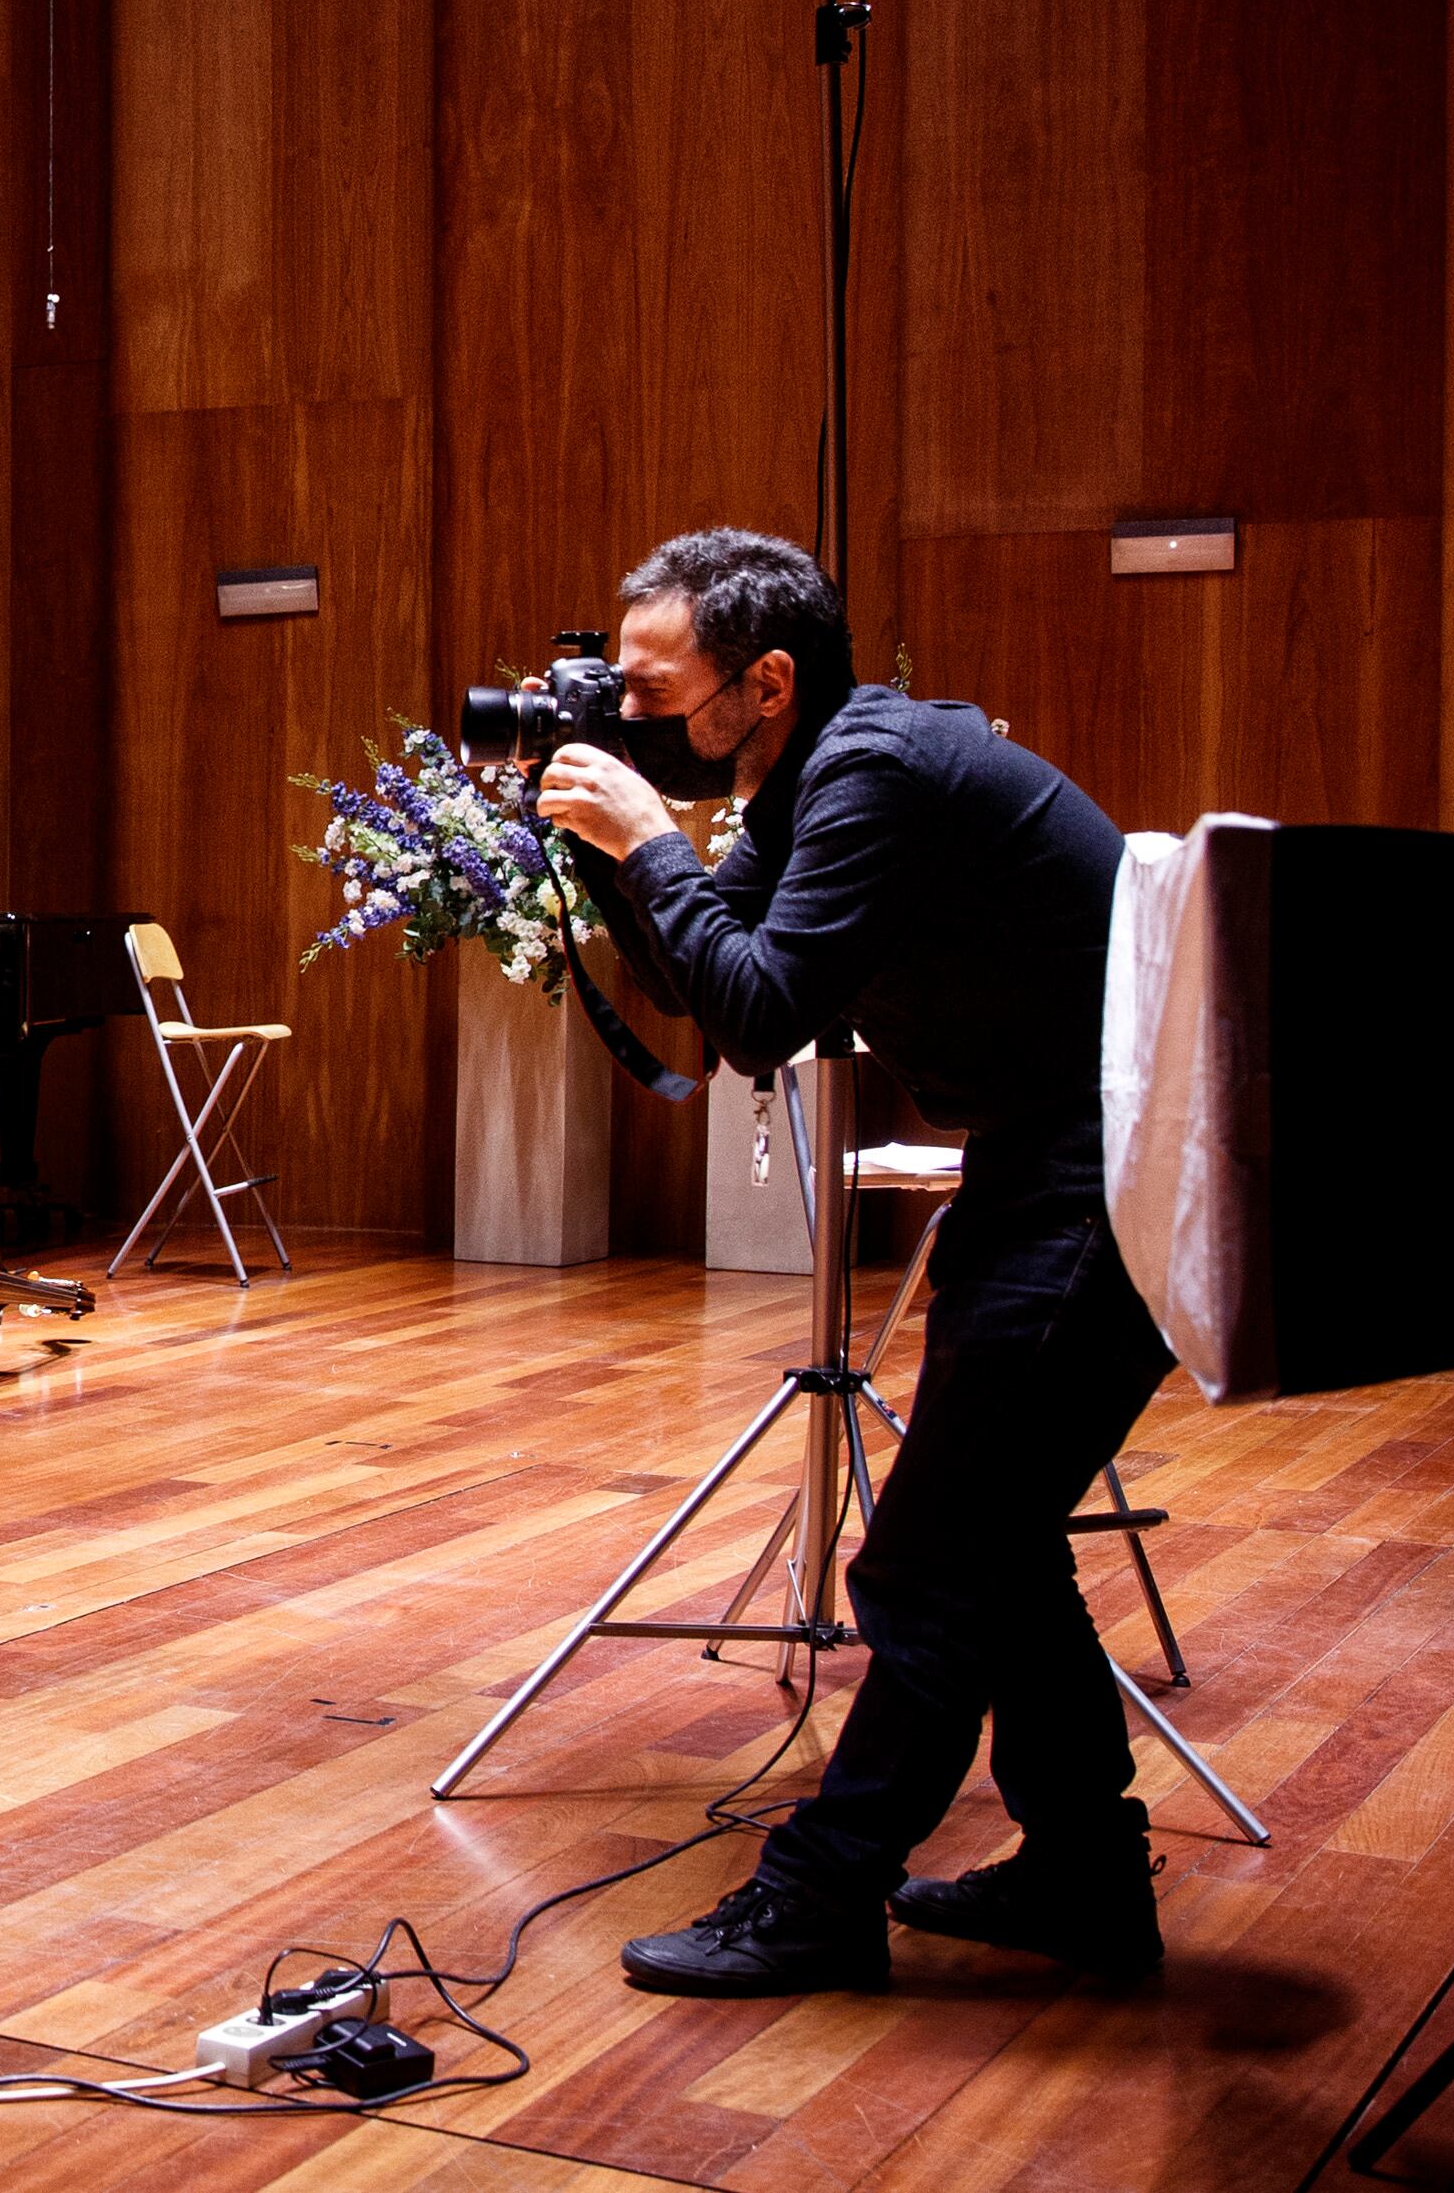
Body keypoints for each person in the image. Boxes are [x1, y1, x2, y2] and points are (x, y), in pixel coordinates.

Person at [530, 526, 1167, 1999]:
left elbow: (762, 1018)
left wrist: (656, 845)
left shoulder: (872, 773)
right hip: (1049, 1154)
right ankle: (1084, 1870)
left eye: (652, 690)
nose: (626, 719)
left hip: (1105, 1168)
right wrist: (615, 854)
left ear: (765, 679)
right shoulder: (812, 774)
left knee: (938, 1556)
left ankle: (822, 1897)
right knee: (992, 1539)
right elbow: (716, 965)